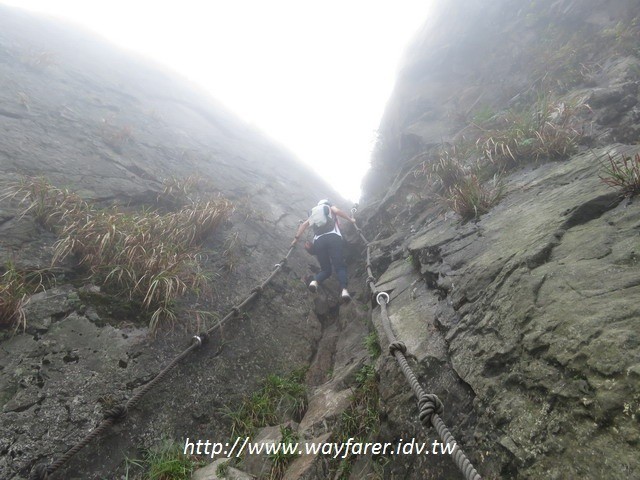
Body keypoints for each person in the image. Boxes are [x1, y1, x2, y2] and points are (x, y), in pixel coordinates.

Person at [291, 199, 355, 303]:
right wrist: (350, 219)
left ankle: (314, 282)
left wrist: (295, 239)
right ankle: (344, 290)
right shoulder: (329, 208)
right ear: (327, 204)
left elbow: (303, 225)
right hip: (333, 238)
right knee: (339, 267)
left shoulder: (314, 213)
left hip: (319, 241)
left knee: (326, 269)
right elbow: (338, 211)